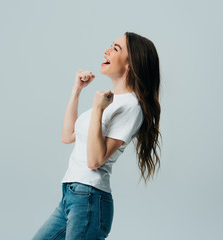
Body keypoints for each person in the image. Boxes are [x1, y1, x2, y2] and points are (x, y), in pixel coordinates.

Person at [32, 31, 161, 240]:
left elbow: (95, 161)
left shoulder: (131, 106)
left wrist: (99, 110)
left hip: (90, 198)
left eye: (116, 48)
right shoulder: (108, 100)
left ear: (131, 64)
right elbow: (68, 135)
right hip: (70, 195)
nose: (106, 51)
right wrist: (77, 89)